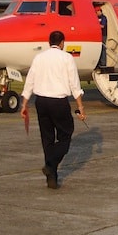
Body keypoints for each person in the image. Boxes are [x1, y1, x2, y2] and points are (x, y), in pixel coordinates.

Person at [20, 30, 86, 189]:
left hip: (41, 101)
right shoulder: (67, 58)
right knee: (66, 135)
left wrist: (24, 103)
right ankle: (51, 165)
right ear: (62, 42)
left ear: (49, 42)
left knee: (47, 138)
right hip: (58, 102)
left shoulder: (39, 58)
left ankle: (52, 177)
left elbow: (30, 81)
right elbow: (74, 84)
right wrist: (80, 107)